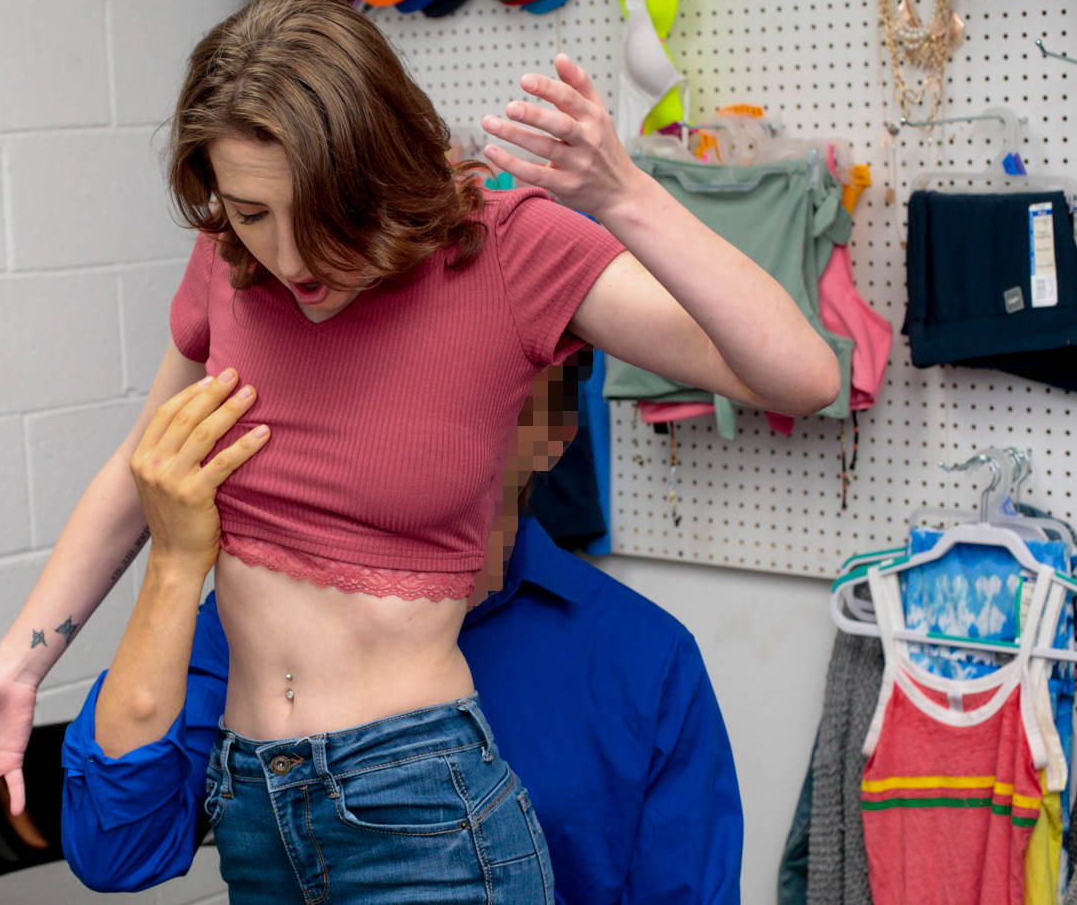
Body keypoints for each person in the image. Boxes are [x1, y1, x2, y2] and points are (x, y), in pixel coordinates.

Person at [0, 0, 837, 900]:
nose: (288, 257)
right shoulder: (228, 261)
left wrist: (625, 195)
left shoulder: (502, 248)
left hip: (421, 808)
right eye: (251, 212)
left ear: (381, 167)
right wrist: (16, 668)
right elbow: (139, 467)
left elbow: (800, 376)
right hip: (256, 806)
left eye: (319, 213)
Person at [61, 356, 745, 902]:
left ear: (553, 431)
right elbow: (116, 852)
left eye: (456, 394)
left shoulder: (643, 657)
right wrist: (174, 563)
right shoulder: (262, 625)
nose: (403, 431)